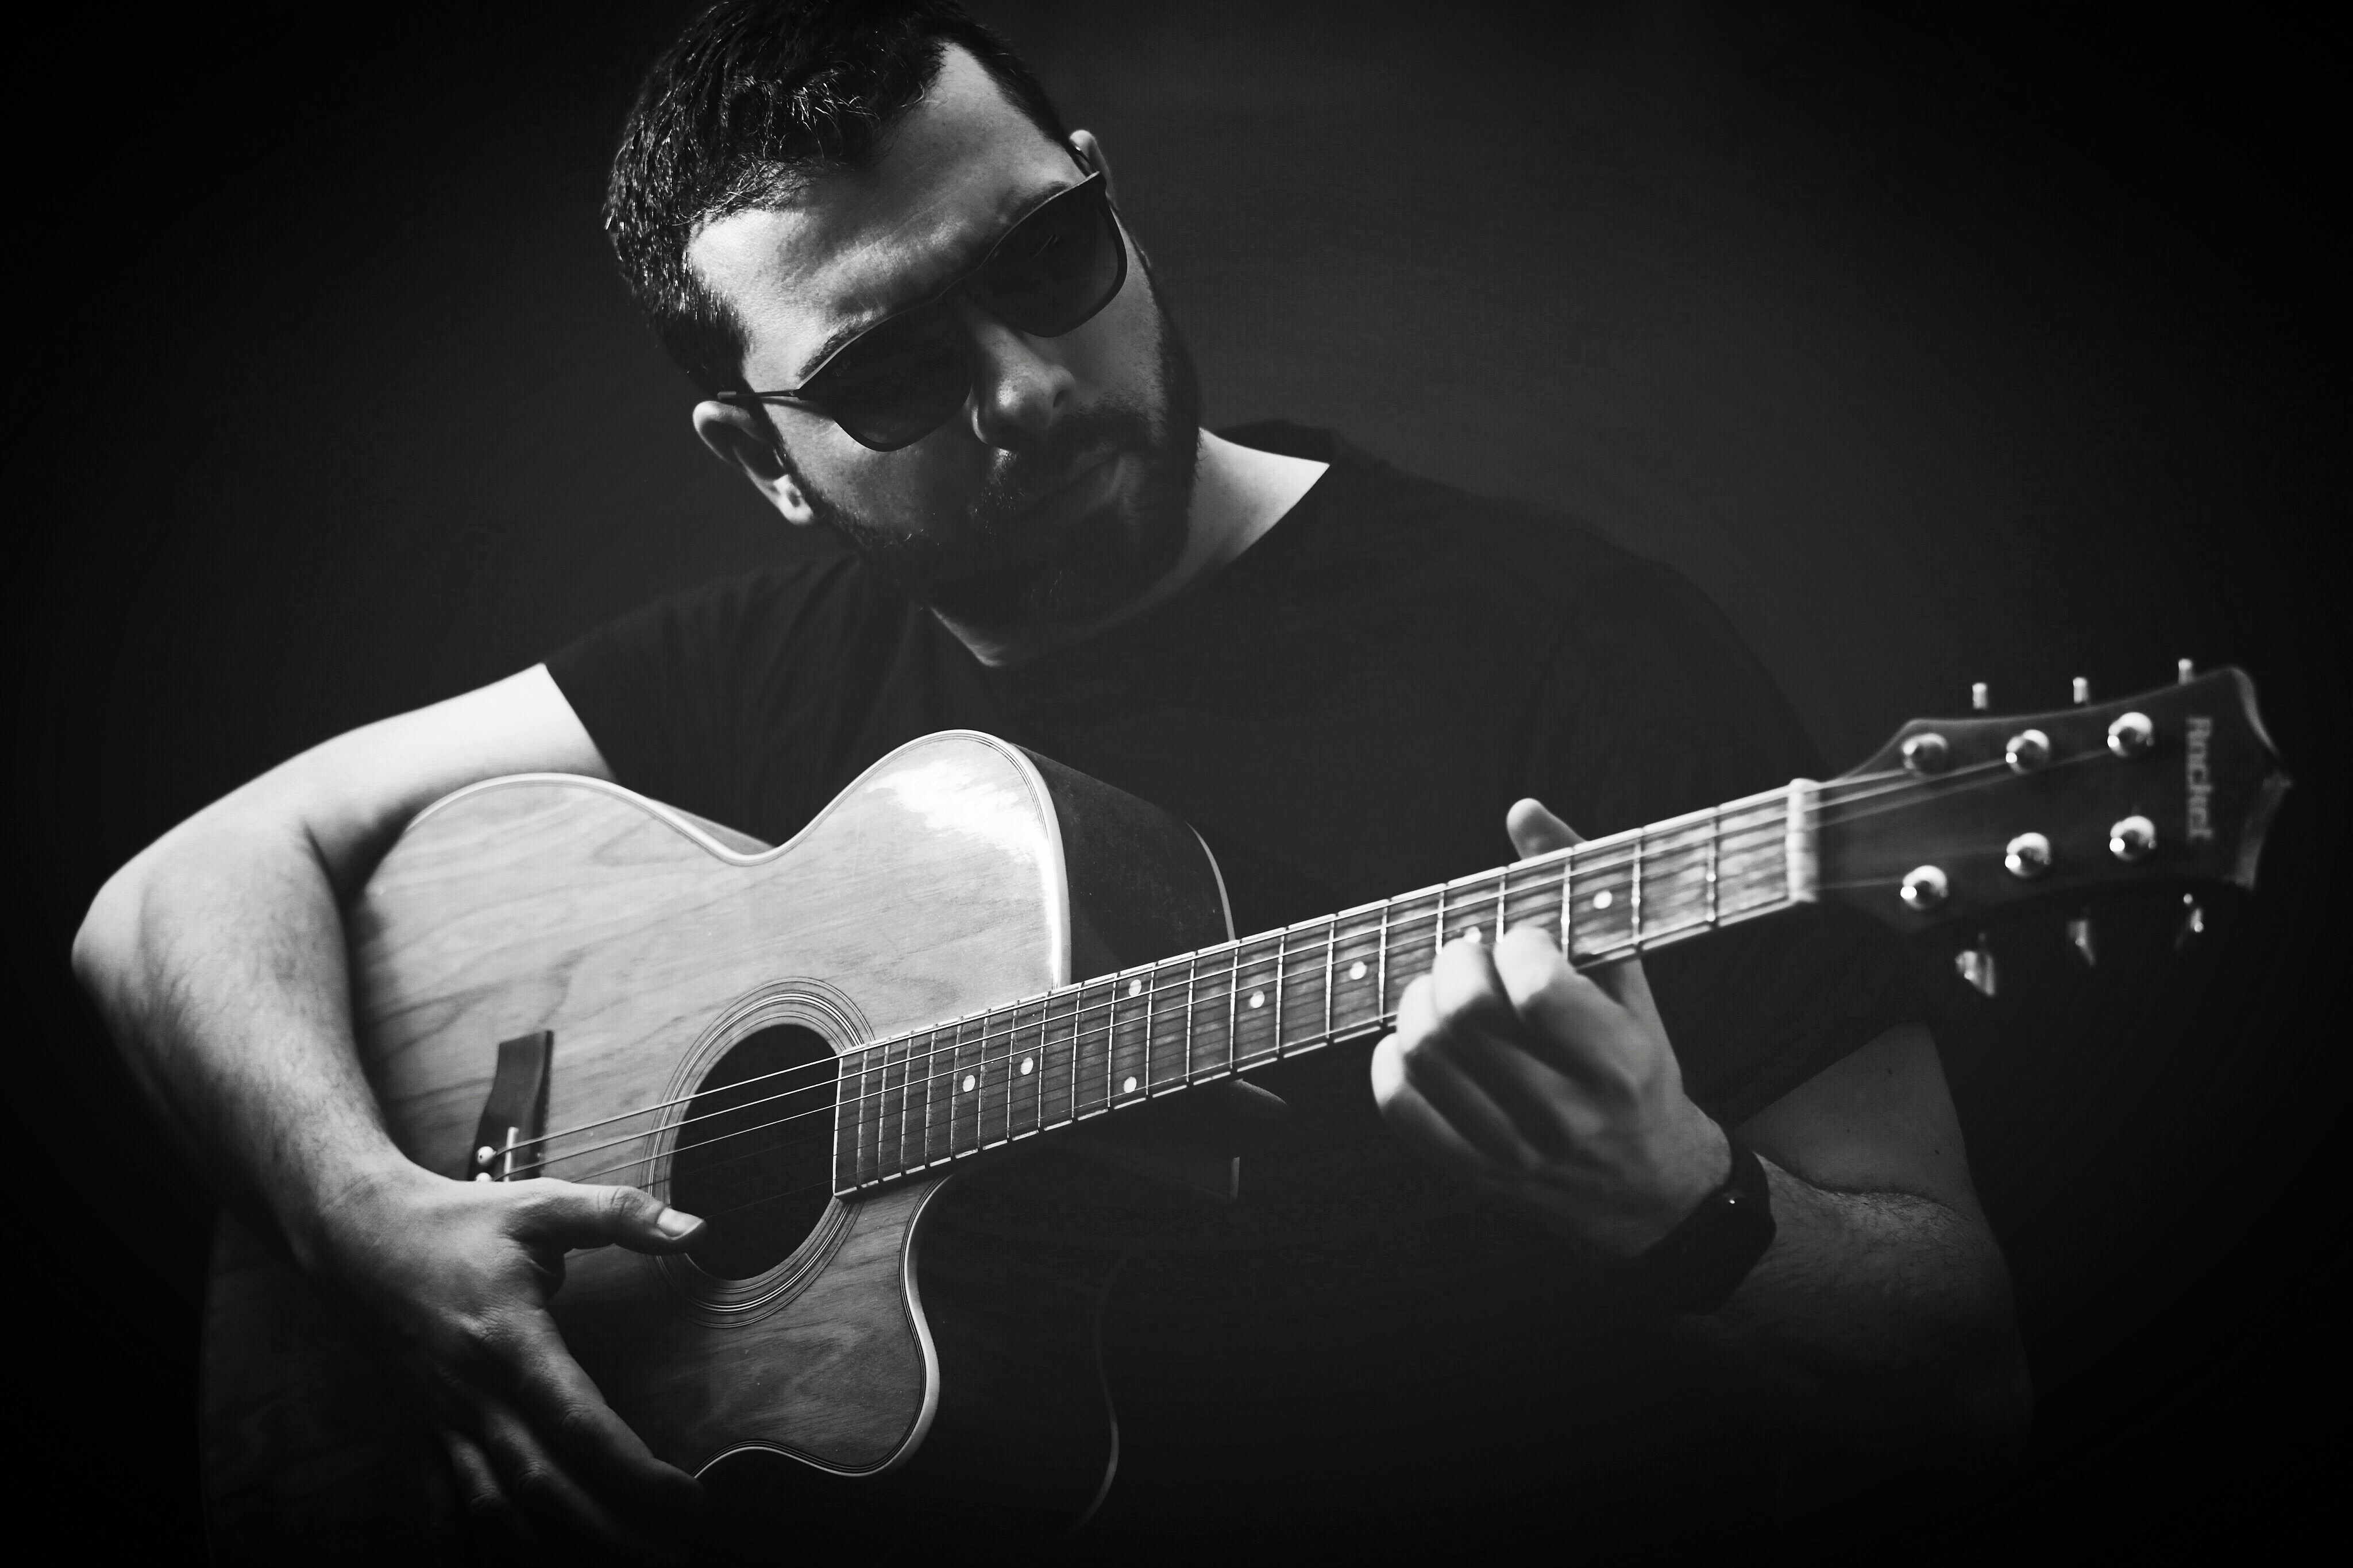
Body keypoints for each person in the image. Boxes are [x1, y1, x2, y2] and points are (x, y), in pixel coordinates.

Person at [74, 1, 2029, 1558]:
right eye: (892, 379)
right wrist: (364, 1217)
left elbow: (1966, 1378)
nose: (1030, 387)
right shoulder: (758, 670)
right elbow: (168, 892)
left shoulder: (1576, 653)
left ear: (1115, 198)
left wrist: (1681, 1206)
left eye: (1049, 254)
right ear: (761, 456)